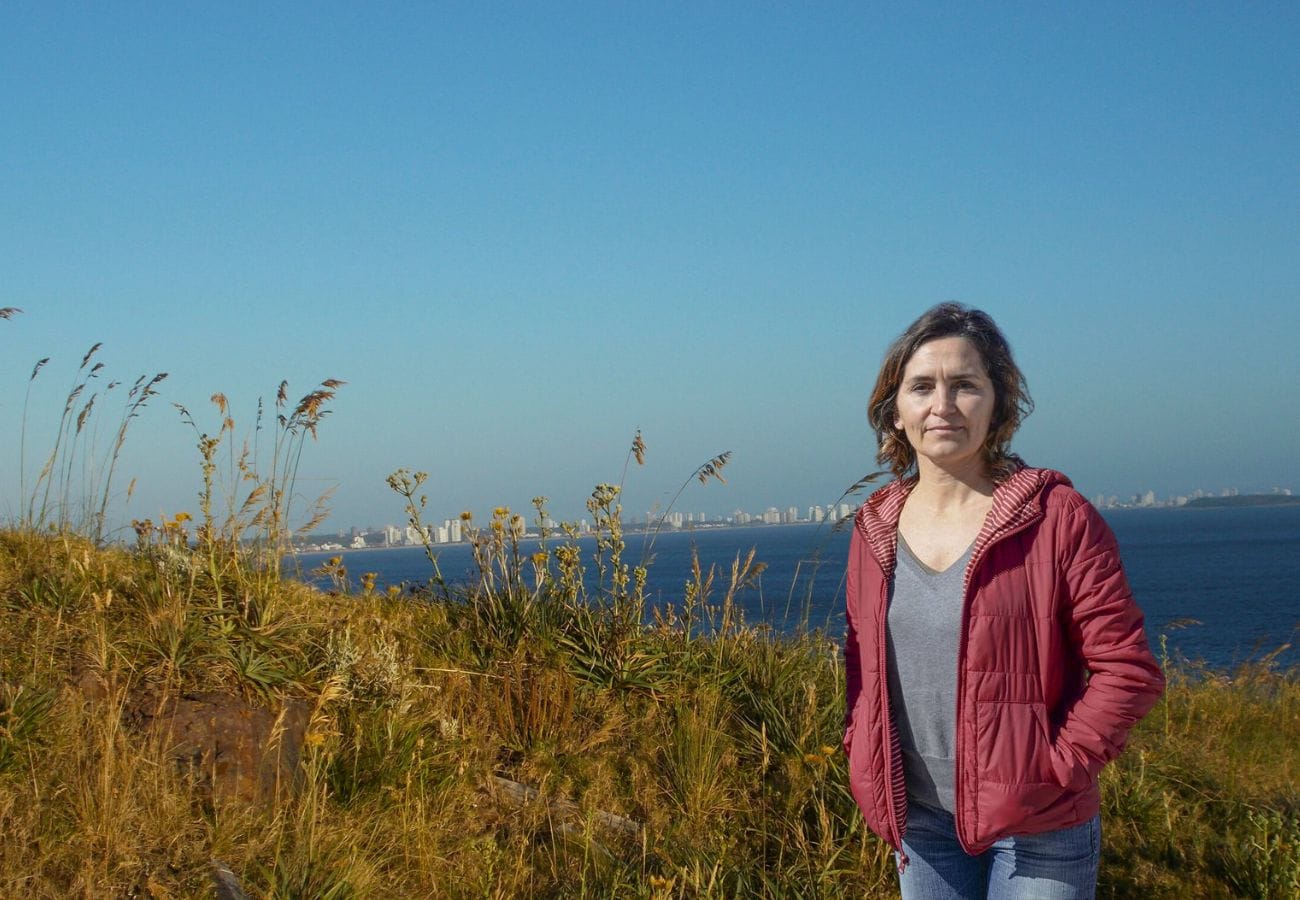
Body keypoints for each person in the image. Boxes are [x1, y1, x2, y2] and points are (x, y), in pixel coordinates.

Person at [842, 303, 1164, 899]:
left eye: (965, 385)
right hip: (920, 822)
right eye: (922, 387)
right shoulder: (874, 527)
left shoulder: (1057, 518)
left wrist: (1053, 770)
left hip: (1039, 827)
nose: (943, 405)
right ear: (896, 412)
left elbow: (1128, 670)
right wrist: (860, 748)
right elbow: (860, 661)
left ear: (997, 404)